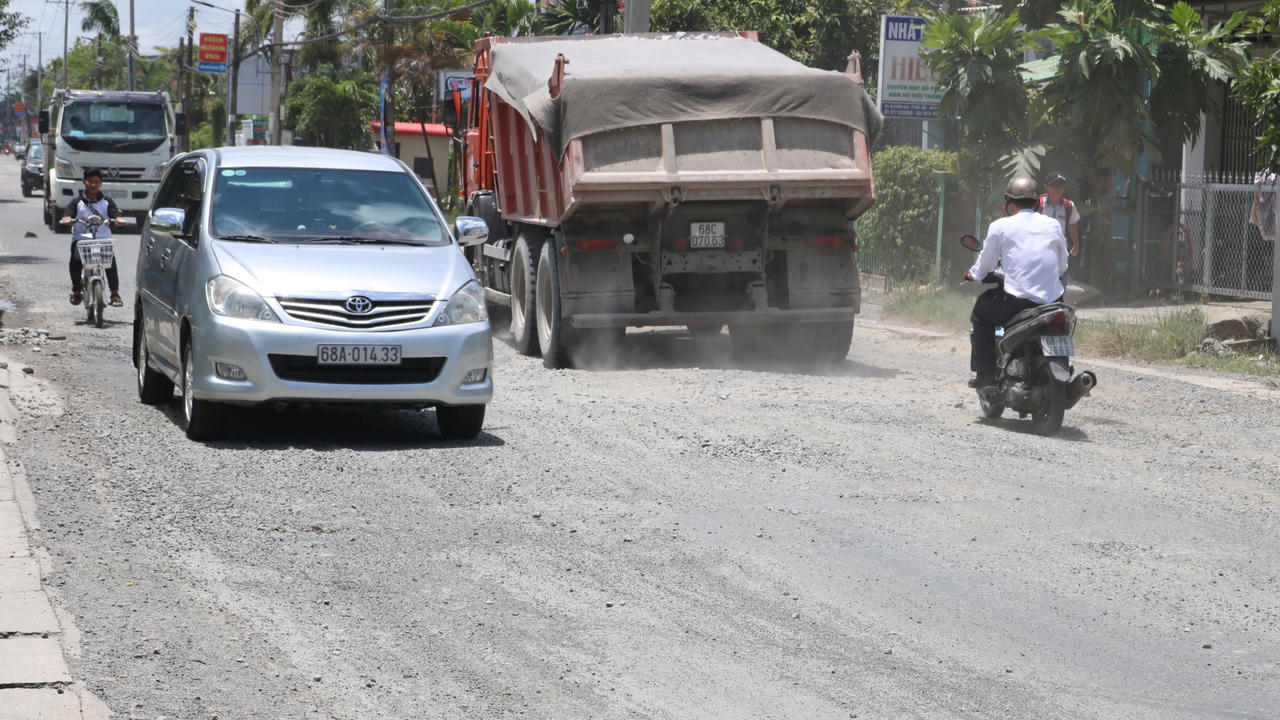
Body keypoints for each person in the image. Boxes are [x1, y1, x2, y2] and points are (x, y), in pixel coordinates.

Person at [966, 176, 1070, 390]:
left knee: (981, 312)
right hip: (1054, 302)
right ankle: (1063, 372)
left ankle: (985, 375)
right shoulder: (1053, 225)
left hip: (1018, 304)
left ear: (1010, 204)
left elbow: (985, 264)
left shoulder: (1000, 226)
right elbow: (1062, 266)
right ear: (1036, 203)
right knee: (1060, 327)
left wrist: (973, 275)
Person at [62, 167, 127, 307]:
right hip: (82, 240)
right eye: (90, 181)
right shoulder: (76, 202)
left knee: (110, 262)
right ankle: (76, 289)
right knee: (75, 260)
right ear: (84, 182)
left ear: (101, 183)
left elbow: (115, 213)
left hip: (103, 239)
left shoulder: (107, 201)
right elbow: (68, 214)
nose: (93, 184)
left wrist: (118, 219)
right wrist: (67, 218)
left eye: (96, 182)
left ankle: (114, 293)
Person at [1038, 171, 1080, 257]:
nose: (1058, 189)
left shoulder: (1069, 206)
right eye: (1054, 186)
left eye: (1061, 186)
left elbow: (1072, 226)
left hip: (1059, 250)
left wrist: (1076, 244)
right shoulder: (1037, 204)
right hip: (1039, 248)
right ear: (1046, 187)